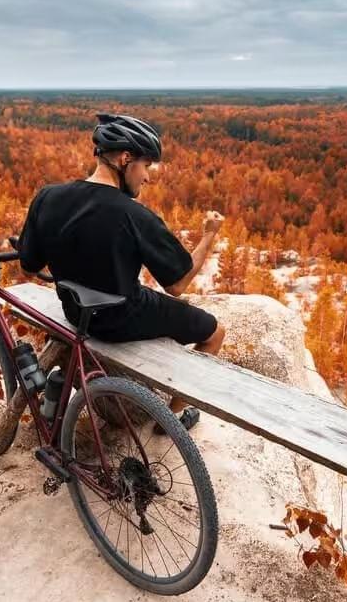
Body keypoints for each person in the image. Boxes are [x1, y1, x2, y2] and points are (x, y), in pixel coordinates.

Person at [16, 113, 225, 431]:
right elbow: (178, 284)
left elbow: (28, 266)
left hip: (76, 313)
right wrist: (209, 235)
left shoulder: (48, 197)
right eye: (146, 166)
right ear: (125, 159)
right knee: (215, 332)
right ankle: (171, 420)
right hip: (120, 319)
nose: (147, 177)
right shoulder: (134, 215)